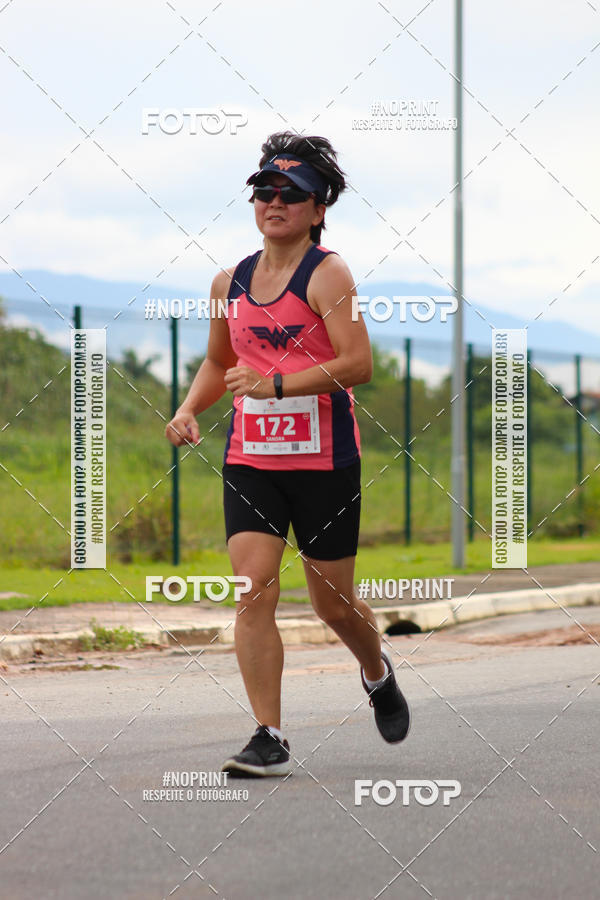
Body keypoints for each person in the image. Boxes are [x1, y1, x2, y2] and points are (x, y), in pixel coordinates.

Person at [165, 131, 410, 777]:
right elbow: (221, 363)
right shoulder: (229, 281)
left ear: (318, 208)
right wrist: (192, 408)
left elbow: (357, 363)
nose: (274, 202)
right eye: (264, 191)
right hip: (252, 461)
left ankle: (376, 670)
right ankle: (268, 734)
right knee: (253, 593)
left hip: (325, 461)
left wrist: (275, 384)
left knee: (332, 604)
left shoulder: (328, 273)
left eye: (290, 194)